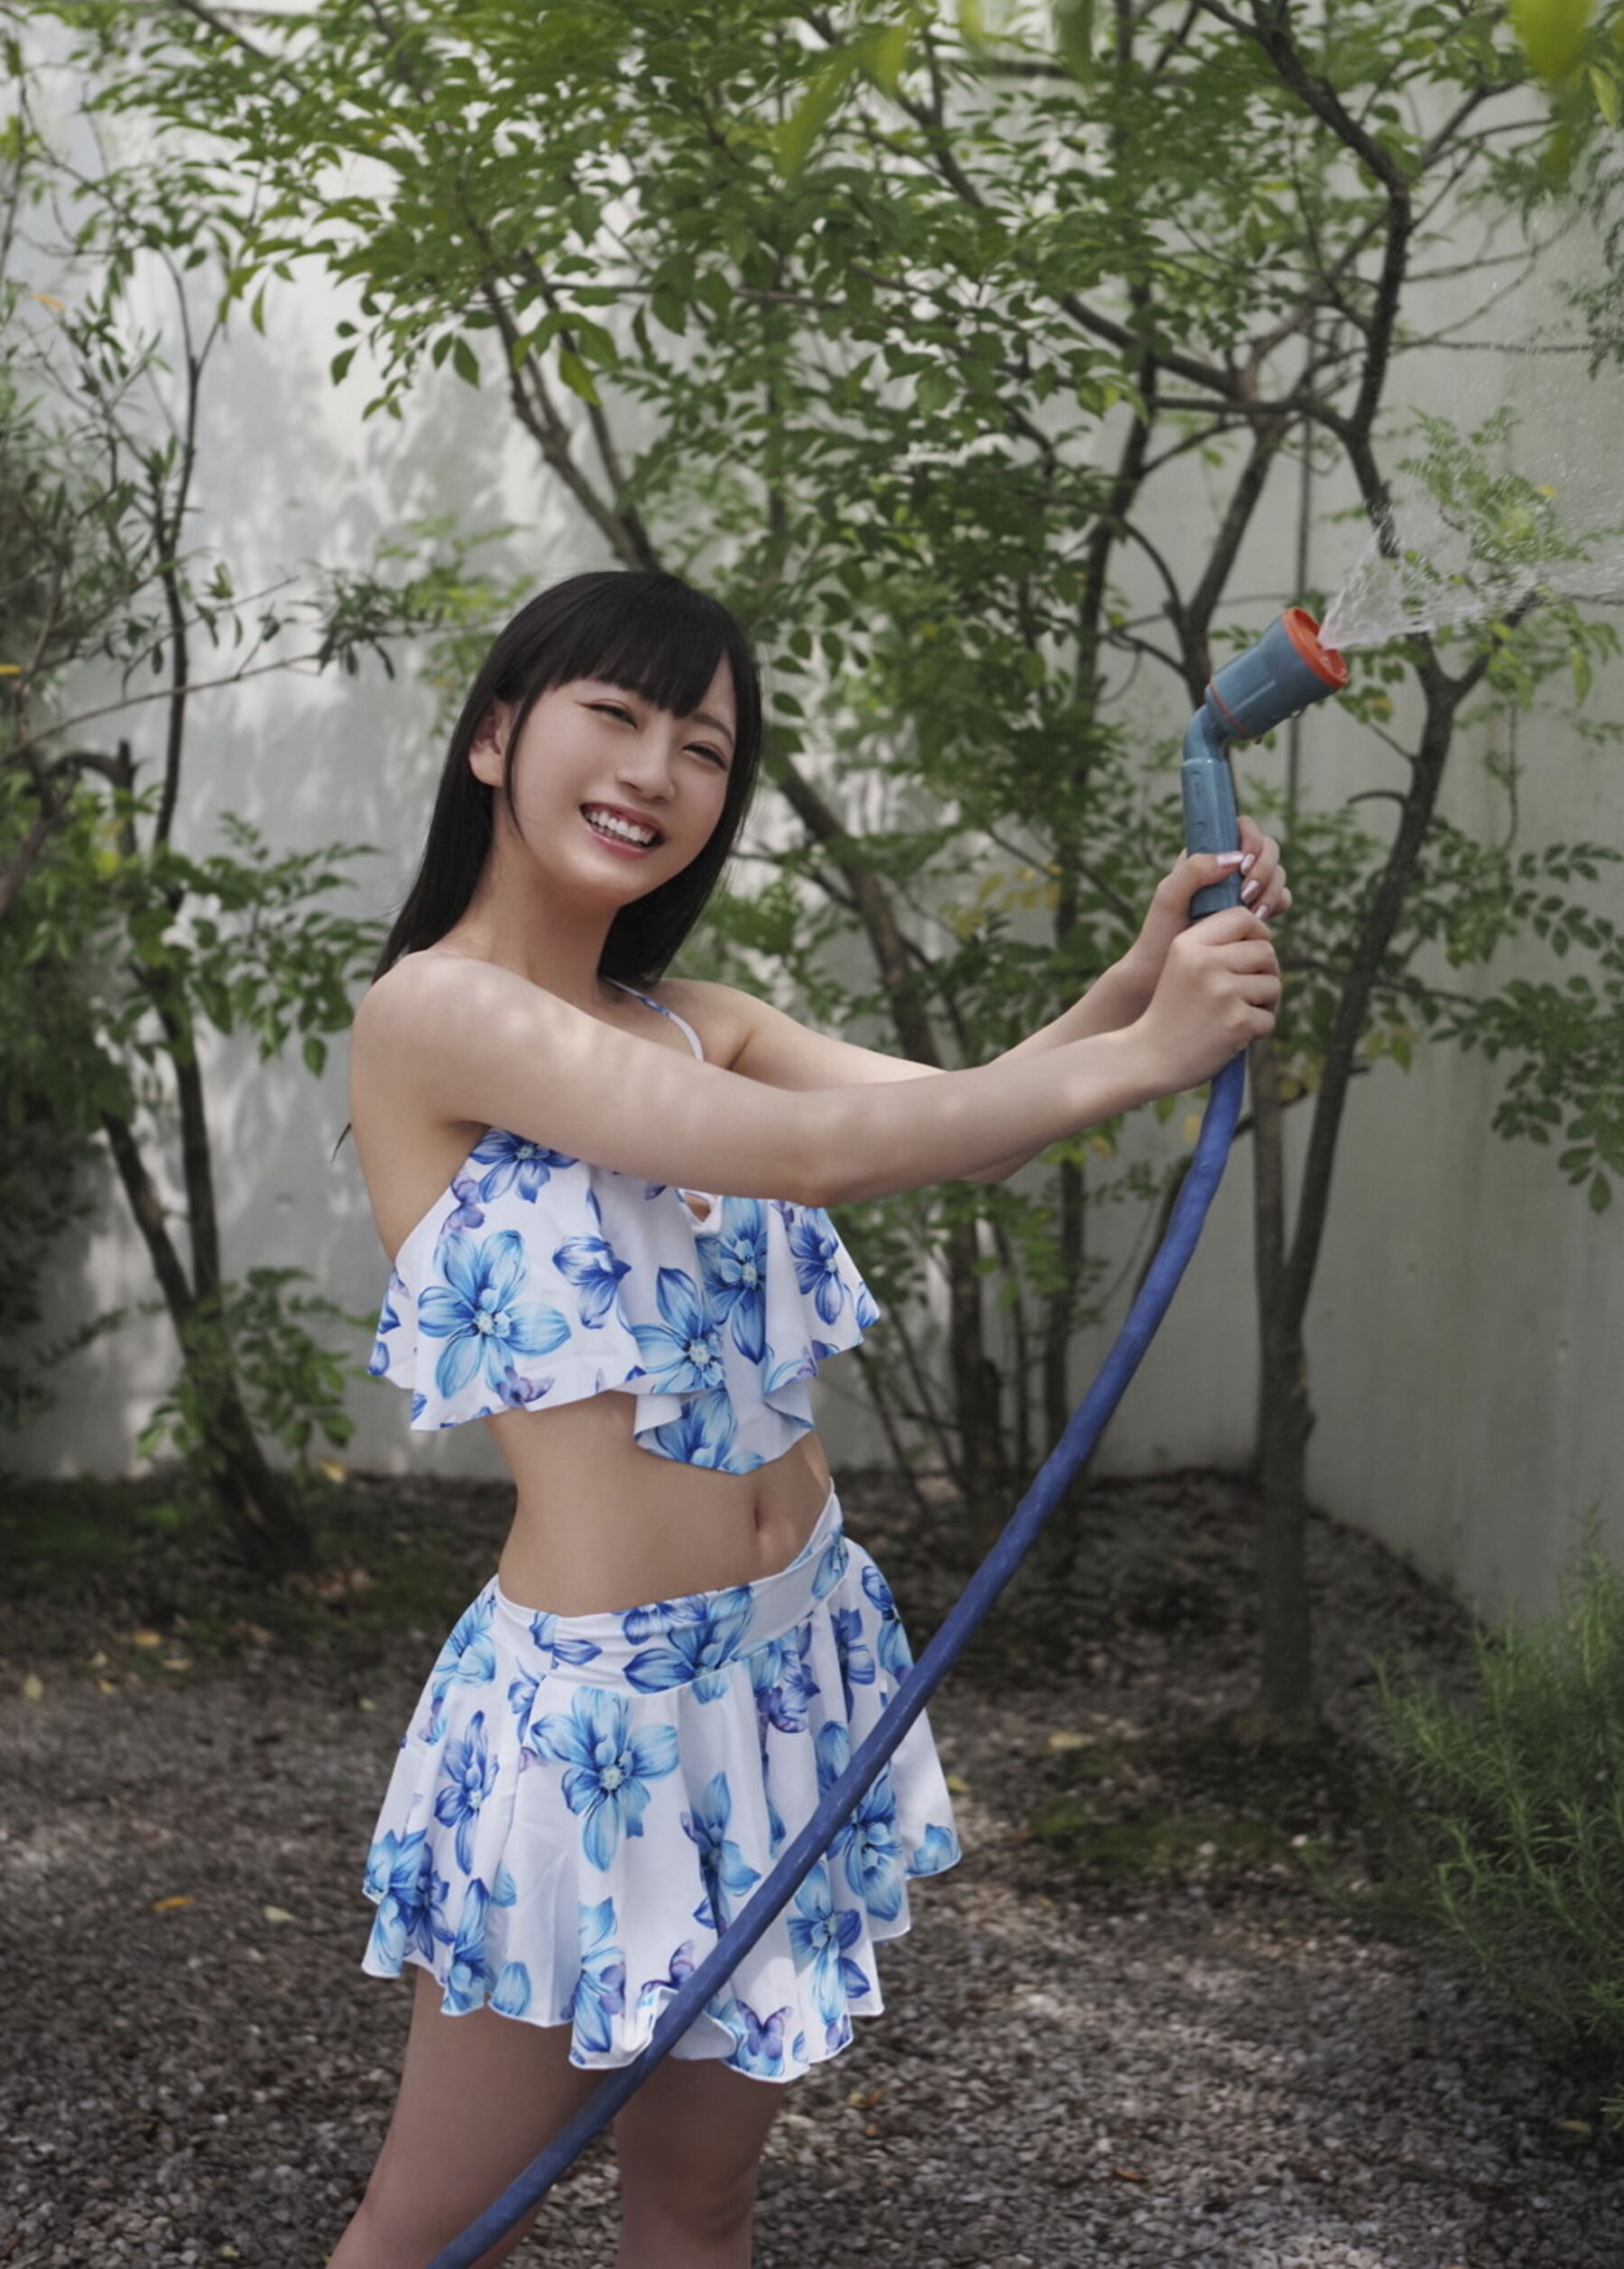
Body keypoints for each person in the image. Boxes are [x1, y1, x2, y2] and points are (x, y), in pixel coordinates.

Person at [330, 568, 1287, 2269]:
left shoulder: (695, 1020)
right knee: (435, 2225)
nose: (656, 771)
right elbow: (803, 1154)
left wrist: (1144, 979)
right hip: (597, 1720)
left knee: (702, 2201)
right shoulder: (438, 1015)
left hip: (792, 1668)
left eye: (704, 748)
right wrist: (1153, 1057)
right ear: (495, 738)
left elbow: (973, 1125)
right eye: (616, 716)